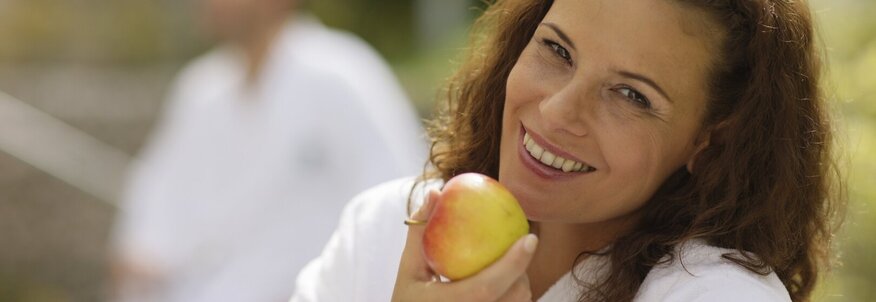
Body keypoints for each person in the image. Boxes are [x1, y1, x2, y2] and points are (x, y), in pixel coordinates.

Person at [291, 0, 844, 301]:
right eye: (557, 50)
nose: (557, 112)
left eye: (631, 95)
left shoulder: (716, 296)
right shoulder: (382, 230)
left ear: (710, 142)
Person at [110, 0, 426, 301]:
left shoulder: (342, 76)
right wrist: (143, 257)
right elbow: (153, 208)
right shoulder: (199, 91)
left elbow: (401, 199)